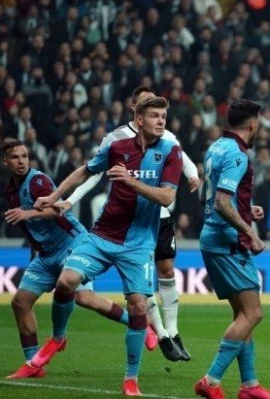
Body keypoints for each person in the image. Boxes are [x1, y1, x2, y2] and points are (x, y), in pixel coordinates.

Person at [31, 96, 183, 396]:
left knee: (139, 305)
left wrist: (129, 181)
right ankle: (59, 338)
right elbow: (85, 171)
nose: (161, 120)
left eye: (164, 115)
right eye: (154, 115)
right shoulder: (117, 148)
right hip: (102, 235)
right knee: (65, 283)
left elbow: (166, 198)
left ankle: (130, 379)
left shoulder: (170, 152)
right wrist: (54, 196)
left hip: (138, 244)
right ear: (139, 120)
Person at [54, 85, 201, 362]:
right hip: (124, 224)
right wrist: (69, 200)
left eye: (160, 112)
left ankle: (173, 330)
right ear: (136, 110)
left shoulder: (165, 137)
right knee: (139, 289)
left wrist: (193, 175)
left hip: (161, 216)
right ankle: (160, 333)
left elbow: (183, 158)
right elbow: (93, 173)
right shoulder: (115, 139)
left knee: (166, 270)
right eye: (148, 106)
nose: (158, 116)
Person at [2, 139, 146, 379]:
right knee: (20, 302)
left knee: (83, 297)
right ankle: (33, 364)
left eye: (25, 156)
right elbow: (30, 228)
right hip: (46, 254)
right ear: (5, 161)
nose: (21, 161)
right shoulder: (10, 190)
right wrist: (34, 252)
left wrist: (26, 213)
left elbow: (58, 209)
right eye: (15, 157)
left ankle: (136, 323)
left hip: (71, 243)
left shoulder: (38, 181)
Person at [194, 99, 270, 399]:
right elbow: (220, 201)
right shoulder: (238, 155)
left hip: (214, 236)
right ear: (252, 124)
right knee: (253, 314)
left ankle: (250, 386)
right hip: (227, 241)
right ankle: (211, 380)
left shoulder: (217, 147)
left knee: (242, 315)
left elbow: (213, 194)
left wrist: (246, 210)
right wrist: (249, 232)